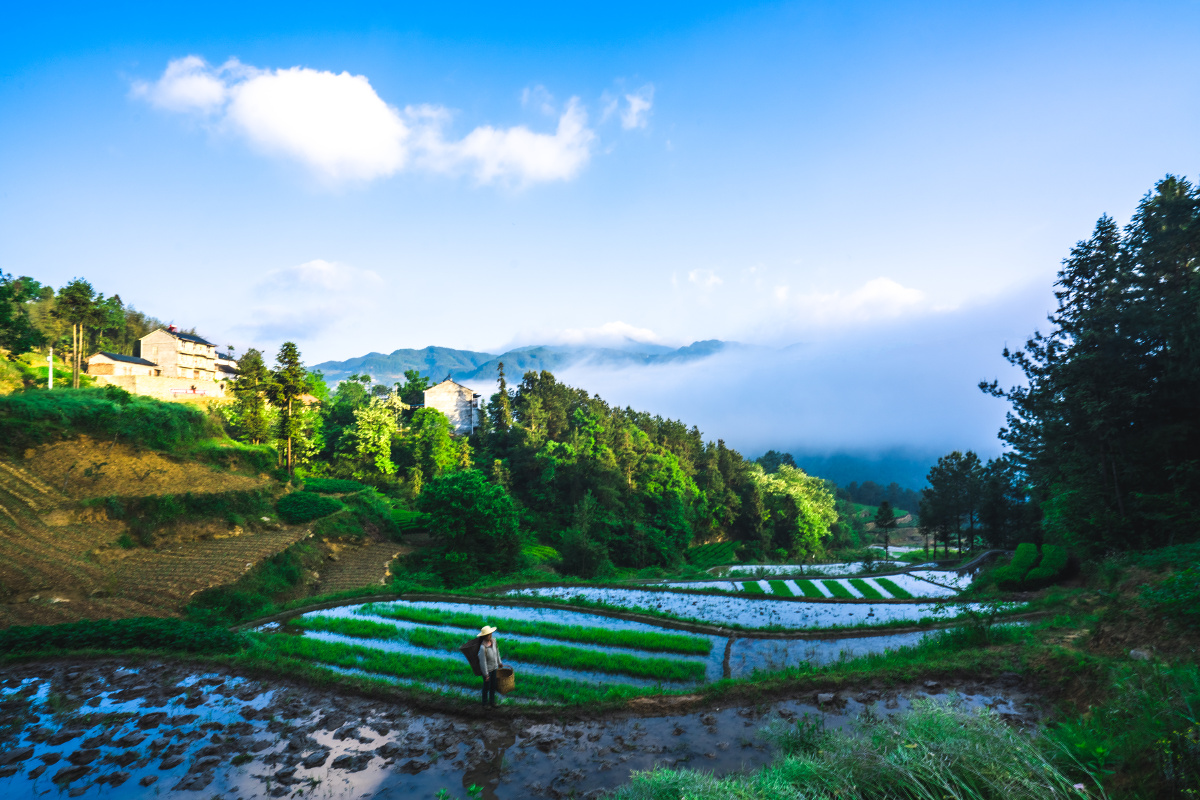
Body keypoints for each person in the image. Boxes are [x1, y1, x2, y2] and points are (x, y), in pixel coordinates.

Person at [477, 625, 503, 708]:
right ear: (484, 636)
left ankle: (492, 702)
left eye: (491, 633)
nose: (490, 635)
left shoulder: (494, 642)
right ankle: (484, 704)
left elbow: (497, 653)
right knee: (486, 687)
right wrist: (486, 674)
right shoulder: (482, 647)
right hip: (488, 670)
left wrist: (499, 662)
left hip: (494, 667)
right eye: (488, 634)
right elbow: (482, 662)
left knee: (493, 686)